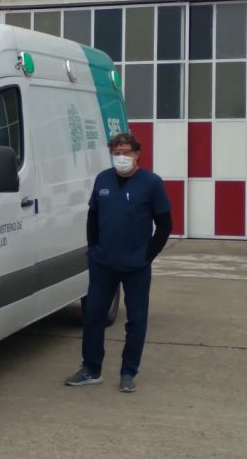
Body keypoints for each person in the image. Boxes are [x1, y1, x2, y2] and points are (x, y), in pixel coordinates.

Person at [65, 132, 172, 393]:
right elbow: (93, 216)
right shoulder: (103, 179)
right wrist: (94, 250)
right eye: (117, 153)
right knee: (93, 315)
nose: (121, 157)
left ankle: (128, 372)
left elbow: (165, 225)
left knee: (136, 320)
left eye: (126, 152)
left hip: (136, 265)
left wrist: (147, 256)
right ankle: (91, 368)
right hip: (103, 264)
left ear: (137, 154)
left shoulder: (151, 183)